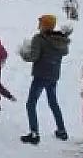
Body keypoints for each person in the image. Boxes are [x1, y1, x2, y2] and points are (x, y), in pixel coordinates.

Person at [19, 14, 72, 144]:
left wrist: (22, 52)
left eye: (41, 23)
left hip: (40, 76)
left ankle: (34, 134)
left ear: (44, 25)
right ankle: (62, 131)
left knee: (31, 104)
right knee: (53, 102)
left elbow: (32, 57)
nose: (39, 26)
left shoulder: (39, 39)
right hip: (53, 76)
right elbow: (64, 52)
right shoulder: (60, 39)